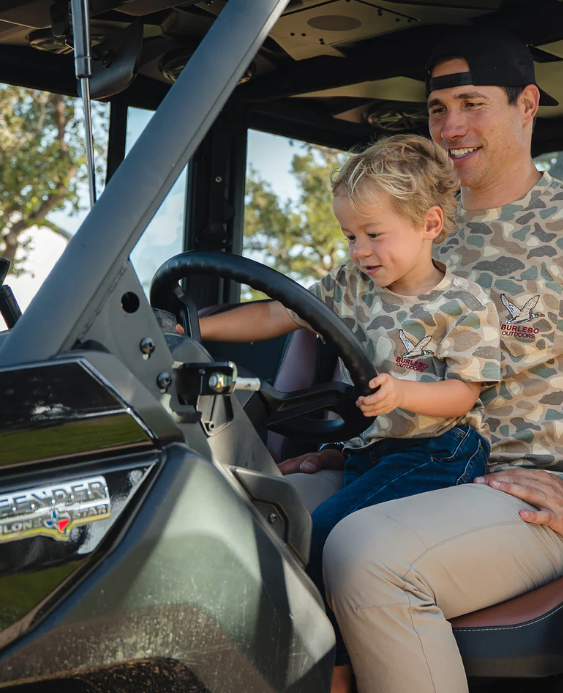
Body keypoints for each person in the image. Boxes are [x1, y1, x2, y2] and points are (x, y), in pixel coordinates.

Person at [281, 27, 563, 693]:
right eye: (438, 109)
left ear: (527, 104)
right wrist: (350, 449)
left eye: (471, 102)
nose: (451, 126)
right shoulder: (411, 227)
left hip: (524, 503)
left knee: (366, 554)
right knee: (247, 516)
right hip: (402, 472)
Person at [199, 133, 501, 673]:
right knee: (263, 520)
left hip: (438, 452)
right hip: (371, 453)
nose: (360, 250)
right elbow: (276, 315)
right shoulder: (350, 285)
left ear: (430, 225)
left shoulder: (463, 303)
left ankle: (327, 671)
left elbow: (464, 393)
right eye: (350, 235)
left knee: (323, 531)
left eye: (374, 234)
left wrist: (404, 392)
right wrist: (195, 326)